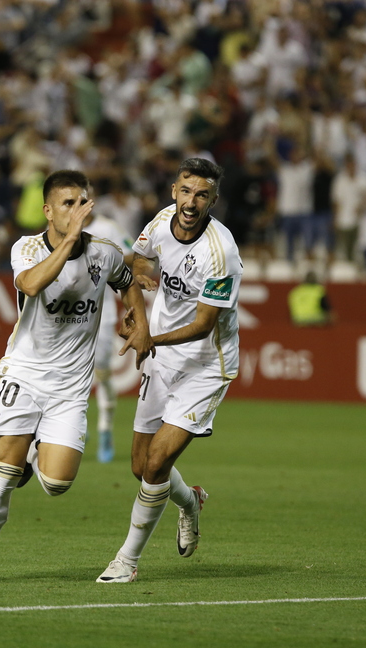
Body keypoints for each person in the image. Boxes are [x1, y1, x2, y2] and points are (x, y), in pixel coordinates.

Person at [0, 169, 153, 583]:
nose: (78, 210)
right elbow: (30, 285)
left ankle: (34, 452)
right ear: (48, 211)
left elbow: (127, 280)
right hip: (24, 374)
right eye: (68, 203)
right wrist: (68, 242)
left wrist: (139, 320)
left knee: (56, 483)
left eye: (83, 202)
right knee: (4, 472)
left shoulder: (103, 252)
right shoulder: (26, 248)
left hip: (69, 388)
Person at [97, 157, 241, 583]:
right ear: (173, 191)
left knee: (158, 461)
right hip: (160, 355)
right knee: (141, 467)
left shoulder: (222, 252)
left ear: (214, 199)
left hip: (204, 366)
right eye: (185, 191)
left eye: (201, 194)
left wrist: (147, 338)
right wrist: (137, 311)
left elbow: (203, 325)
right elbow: (138, 262)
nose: (191, 202)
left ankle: (127, 560)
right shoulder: (160, 222)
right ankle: (190, 501)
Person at [84, 207, 134, 463]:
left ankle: (105, 430)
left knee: (101, 373)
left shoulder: (107, 228)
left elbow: (133, 255)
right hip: (69, 315)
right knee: (70, 372)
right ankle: (77, 424)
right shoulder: (59, 228)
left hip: (102, 315)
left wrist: (106, 259)